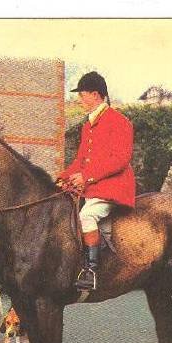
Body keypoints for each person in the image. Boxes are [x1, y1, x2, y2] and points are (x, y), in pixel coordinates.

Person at [56, 72, 135, 290]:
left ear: (95, 94)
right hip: (94, 186)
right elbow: (80, 161)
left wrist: (87, 176)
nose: (79, 100)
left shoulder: (119, 121)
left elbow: (120, 159)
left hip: (114, 186)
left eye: (82, 95)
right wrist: (62, 178)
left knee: (86, 216)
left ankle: (91, 270)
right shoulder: (87, 125)